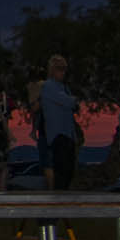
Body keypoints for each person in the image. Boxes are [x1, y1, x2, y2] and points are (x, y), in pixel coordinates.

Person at [37, 56, 79, 191]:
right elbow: (69, 102)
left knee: (68, 171)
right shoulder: (48, 86)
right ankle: (59, 198)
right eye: (60, 68)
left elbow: (71, 103)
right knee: (62, 171)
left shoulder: (64, 87)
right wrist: (72, 100)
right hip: (58, 135)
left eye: (64, 69)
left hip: (68, 134)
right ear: (52, 70)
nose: (63, 72)